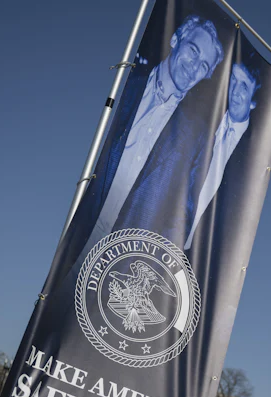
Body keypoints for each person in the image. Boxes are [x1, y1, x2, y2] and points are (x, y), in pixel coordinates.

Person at [95, 15, 224, 234]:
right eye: (193, 50)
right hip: (82, 231)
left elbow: (183, 212)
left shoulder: (197, 139)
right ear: (175, 40)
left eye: (204, 65)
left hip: (125, 254)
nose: (194, 67)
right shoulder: (126, 87)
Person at [184, 62, 260, 249]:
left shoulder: (254, 156)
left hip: (201, 256)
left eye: (244, 86)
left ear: (253, 101)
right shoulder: (200, 122)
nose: (235, 91)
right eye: (233, 80)